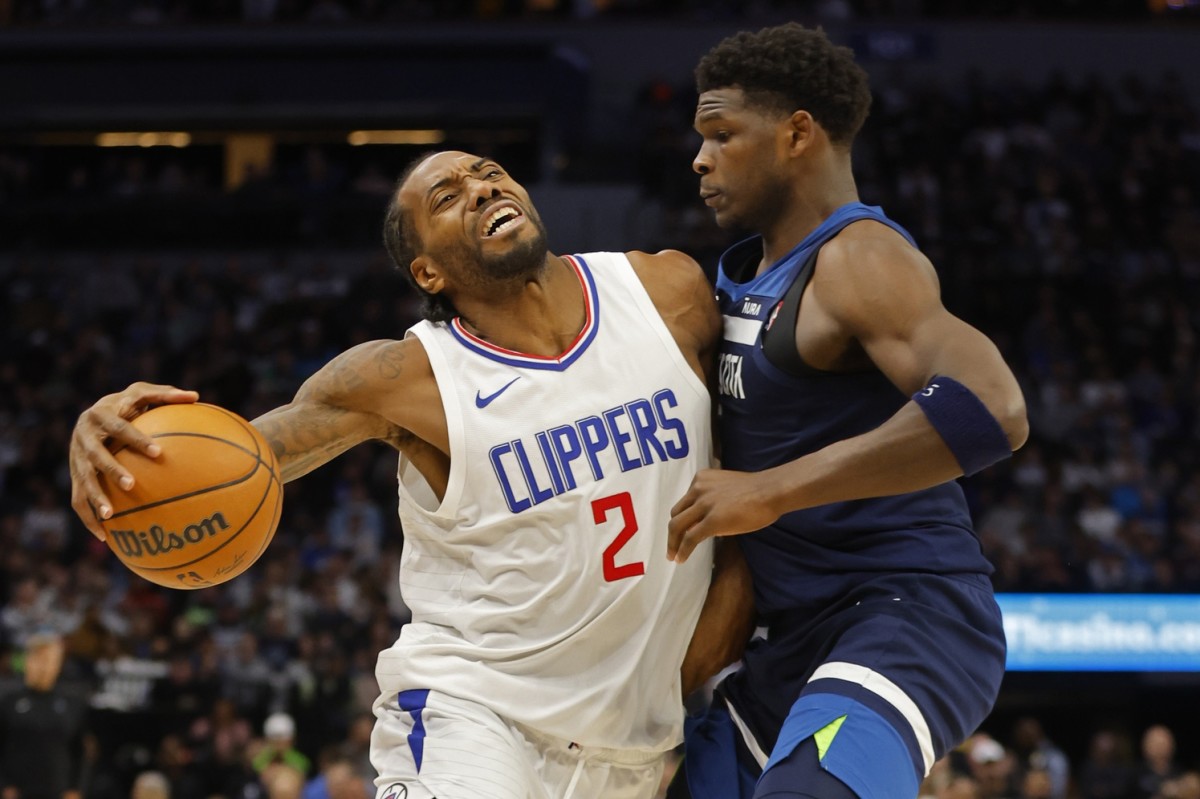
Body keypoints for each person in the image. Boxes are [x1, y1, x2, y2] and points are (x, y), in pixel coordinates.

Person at [68, 150, 754, 799]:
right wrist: (111, 442)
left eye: (488, 173)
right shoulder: (407, 380)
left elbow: (761, 465)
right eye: (447, 197)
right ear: (428, 272)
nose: (483, 186)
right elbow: (238, 459)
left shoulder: (665, 291)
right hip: (474, 716)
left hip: (632, 746)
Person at [665, 23, 1028, 799]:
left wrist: (772, 489)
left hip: (907, 613)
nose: (700, 157)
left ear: (798, 133)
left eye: (722, 133)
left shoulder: (859, 259)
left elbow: (994, 408)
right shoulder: (733, 278)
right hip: (788, 640)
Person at [0, 631, 91, 799]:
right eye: (38, 659)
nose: (43, 666)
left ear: (58, 664)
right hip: (18, 793)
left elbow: (80, 752)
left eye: (49, 660)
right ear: (27, 661)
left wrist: (76, 789)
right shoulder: (8, 702)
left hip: (58, 792)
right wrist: (3, 785)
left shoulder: (72, 704)